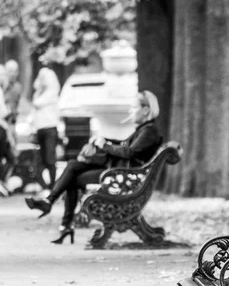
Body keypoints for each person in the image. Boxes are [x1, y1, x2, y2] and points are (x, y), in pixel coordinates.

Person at [25, 90, 162, 244]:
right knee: (73, 166)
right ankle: (56, 212)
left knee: (73, 176)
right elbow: (125, 146)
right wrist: (105, 141)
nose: (131, 111)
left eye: (134, 107)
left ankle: (60, 217)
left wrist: (106, 145)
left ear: (145, 110)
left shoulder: (149, 131)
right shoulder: (144, 129)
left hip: (124, 176)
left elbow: (129, 152)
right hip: (122, 174)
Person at [30, 67, 60, 190]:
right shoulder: (38, 92)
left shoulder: (52, 92)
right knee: (39, 162)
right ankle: (46, 188)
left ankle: (53, 187)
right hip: (39, 128)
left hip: (50, 128)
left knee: (50, 159)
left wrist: (39, 89)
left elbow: (38, 103)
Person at [0, 65, 16, 196]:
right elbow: (3, 112)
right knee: (10, 157)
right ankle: (1, 182)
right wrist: (9, 111)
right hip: (1, 127)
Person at [4, 59, 22, 144]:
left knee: (12, 147)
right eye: (10, 71)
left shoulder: (18, 87)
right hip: (2, 122)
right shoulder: (2, 87)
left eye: (15, 71)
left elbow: (18, 103)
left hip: (12, 122)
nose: (13, 74)